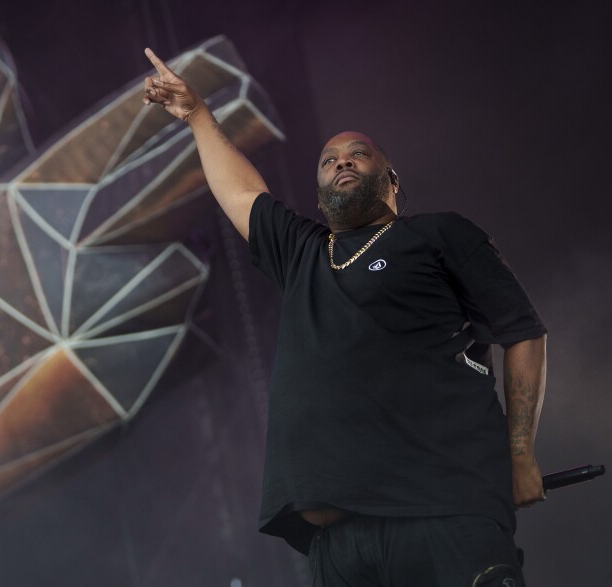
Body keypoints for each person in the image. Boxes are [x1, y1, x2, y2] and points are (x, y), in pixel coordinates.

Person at [142, 48, 547, 586]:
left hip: (444, 512)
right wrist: (197, 114)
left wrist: (520, 455)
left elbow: (523, 333)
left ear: (392, 179)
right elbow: (241, 192)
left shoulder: (439, 234)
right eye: (329, 160)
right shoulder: (304, 251)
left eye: (359, 154)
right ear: (319, 195)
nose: (343, 162)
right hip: (338, 546)